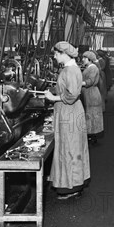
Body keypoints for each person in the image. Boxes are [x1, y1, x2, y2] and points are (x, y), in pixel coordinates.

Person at [44, 41, 90, 199]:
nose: (55, 57)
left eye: (56, 54)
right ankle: (73, 182)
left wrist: (52, 97)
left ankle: (71, 186)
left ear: (64, 54)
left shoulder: (70, 71)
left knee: (69, 147)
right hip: (71, 111)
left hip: (69, 112)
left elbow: (71, 96)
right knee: (72, 147)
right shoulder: (71, 69)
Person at [81, 51, 104, 145]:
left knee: (92, 115)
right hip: (88, 93)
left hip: (91, 93)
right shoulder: (89, 67)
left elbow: (89, 81)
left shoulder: (93, 68)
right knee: (90, 114)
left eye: (84, 58)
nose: (82, 59)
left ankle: (92, 136)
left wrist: (76, 82)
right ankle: (91, 134)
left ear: (89, 59)